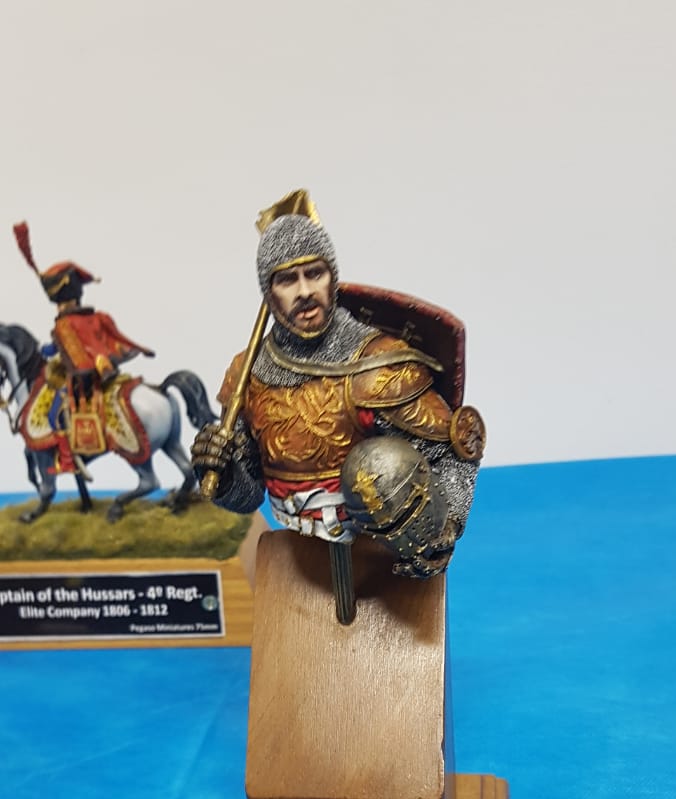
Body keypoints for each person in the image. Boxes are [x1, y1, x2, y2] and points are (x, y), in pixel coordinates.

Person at [191, 212, 485, 577]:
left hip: (379, 557)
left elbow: (453, 452)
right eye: (287, 279)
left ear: (333, 277)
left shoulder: (380, 363)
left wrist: (440, 531)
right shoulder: (246, 375)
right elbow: (249, 496)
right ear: (268, 292)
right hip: (297, 557)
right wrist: (222, 472)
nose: (304, 292)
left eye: (314, 273)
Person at [13, 222, 154, 397]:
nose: (58, 308)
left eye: (59, 303)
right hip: (106, 361)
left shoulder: (64, 325)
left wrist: (41, 351)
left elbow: (59, 347)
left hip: (84, 374)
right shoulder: (98, 317)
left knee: (60, 401)